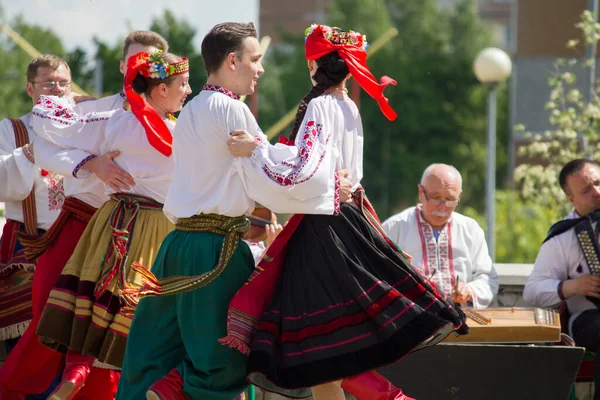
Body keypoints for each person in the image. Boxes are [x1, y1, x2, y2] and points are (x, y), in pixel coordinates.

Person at [221, 24, 468, 400]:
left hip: (323, 232)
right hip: (347, 224)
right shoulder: (349, 106)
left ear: (315, 65)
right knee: (328, 356)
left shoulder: (320, 105)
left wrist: (255, 149)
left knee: (327, 351)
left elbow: (305, 170)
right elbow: (325, 168)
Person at [116, 22, 359, 400]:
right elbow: (270, 184)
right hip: (217, 250)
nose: (260, 69)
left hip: (175, 246)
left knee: (153, 352)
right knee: (227, 362)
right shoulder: (232, 110)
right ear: (232, 60)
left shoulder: (191, 108)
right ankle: (174, 388)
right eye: (255, 59)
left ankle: (166, 387)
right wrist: (331, 190)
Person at [0, 31, 170, 400]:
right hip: (83, 224)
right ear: (123, 64)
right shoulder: (95, 111)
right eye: (135, 60)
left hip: (142, 236)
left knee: (118, 330)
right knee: (53, 323)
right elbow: (43, 147)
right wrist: (90, 163)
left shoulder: (176, 122)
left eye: (152, 61)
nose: (142, 68)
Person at [0, 54, 66, 400]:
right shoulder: (11, 129)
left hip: (72, 242)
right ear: (30, 88)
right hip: (27, 241)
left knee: (71, 335)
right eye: (48, 83)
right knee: (26, 338)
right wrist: (30, 152)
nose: (57, 90)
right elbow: (2, 182)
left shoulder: (82, 128)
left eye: (63, 83)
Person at [524, 158, 600, 400]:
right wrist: (571, 286)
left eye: (599, 183)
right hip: (588, 317)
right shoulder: (563, 237)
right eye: (587, 190)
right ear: (571, 199)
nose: (597, 192)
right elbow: (533, 291)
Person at [382, 163, 499, 308]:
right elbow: (376, 277)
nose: (442, 207)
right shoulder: (394, 228)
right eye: (435, 197)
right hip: (410, 321)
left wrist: (469, 290)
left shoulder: (470, 229)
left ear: (459, 196)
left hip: (461, 323)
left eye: (450, 199)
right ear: (420, 192)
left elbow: (488, 278)